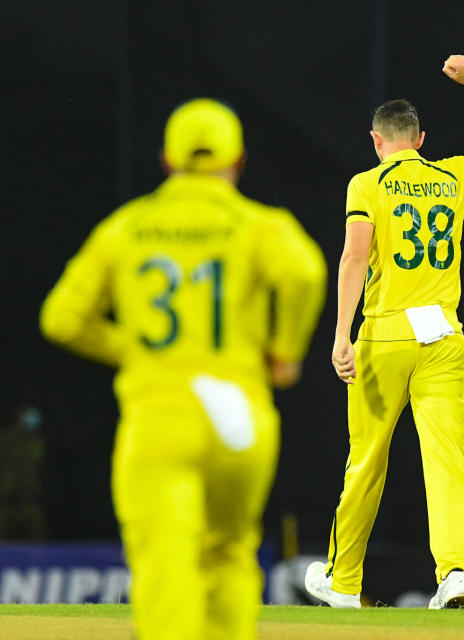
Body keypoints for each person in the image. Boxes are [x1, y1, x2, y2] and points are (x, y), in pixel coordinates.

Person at [40, 98, 326, 640]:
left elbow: (61, 318)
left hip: (160, 416)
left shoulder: (128, 227)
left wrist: (131, 348)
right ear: (237, 162)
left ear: (166, 162)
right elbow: (306, 274)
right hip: (240, 417)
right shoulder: (259, 224)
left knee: (165, 559)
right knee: (230, 555)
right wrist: (285, 349)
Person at [303, 54, 464, 610]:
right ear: (421, 138)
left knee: (367, 460)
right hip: (445, 339)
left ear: (377, 141)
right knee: (448, 460)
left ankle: (344, 583)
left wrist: (340, 335)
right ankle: (453, 574)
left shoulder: (367, 183)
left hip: (383, 336)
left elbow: (355, 257)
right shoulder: (450, 175)